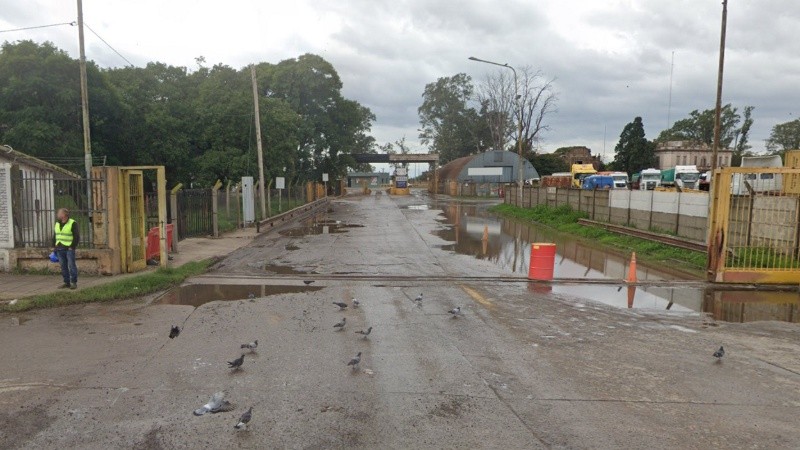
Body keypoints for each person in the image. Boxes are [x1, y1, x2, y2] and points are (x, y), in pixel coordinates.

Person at [53, 208, 80, 289]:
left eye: (58, 213)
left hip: (69, 248)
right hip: (59, 248)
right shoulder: (57, 223)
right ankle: (66, 282)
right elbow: (55, 235)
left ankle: (73, 282)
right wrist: (54, 245)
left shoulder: (72, 223)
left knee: (71, 265)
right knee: (63, 266)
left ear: (63, 215)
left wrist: (72, 246)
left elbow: (76, 236)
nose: (57, 214)